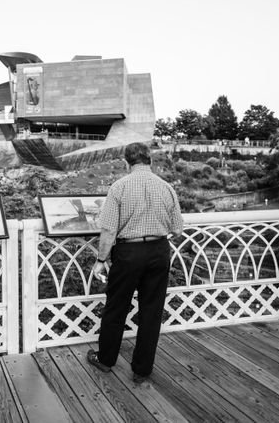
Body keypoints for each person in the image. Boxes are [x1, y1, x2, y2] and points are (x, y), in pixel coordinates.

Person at [87, 141, 184, 383]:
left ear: (126, 163)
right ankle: (142, 370)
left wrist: (101, 260)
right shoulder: (166, 187)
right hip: (159, 250)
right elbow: (178, 228)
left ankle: (106, 360)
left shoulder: (119, 187)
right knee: (151, 312)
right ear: (149, 160)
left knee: (116, 308)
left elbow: (109, 230)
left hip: (128, 253)